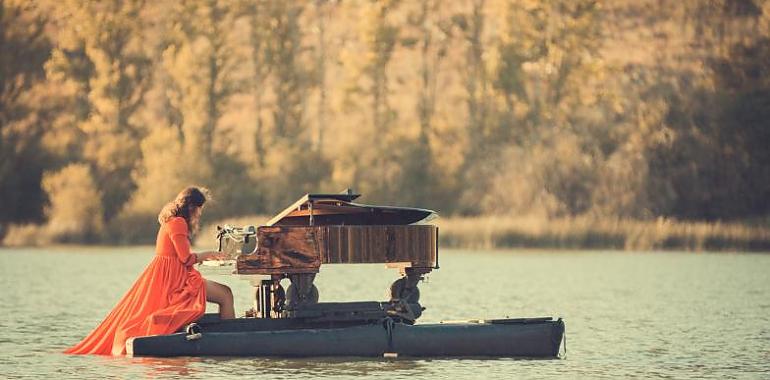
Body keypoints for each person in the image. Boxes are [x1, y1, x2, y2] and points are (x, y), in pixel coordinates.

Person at [64, 186, 235, 355]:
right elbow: (186, 259)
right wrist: (210, 254)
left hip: (174, 276)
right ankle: (231, 344)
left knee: (224, 294)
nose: (200, 213)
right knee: (225, 294)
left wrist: (206, 257)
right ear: (192, 207)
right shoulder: (178, 223)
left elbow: (181, 258)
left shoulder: (172, 220)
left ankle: (222, 338)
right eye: (200, 208)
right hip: (177, 282)